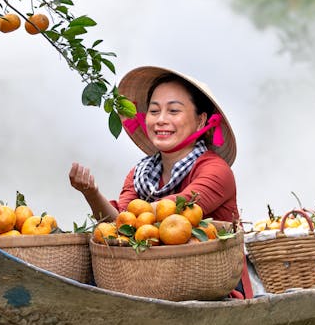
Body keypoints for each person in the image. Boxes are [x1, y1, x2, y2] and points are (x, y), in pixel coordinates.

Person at [68, 65, 240, 226]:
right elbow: (120, 226)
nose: (161, 120)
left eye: (173, 111)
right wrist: (92, 194)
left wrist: (124, 218)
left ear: (201, 121)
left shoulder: (217, 171)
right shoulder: (140, 174)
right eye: (154, 111)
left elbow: (168, 211)